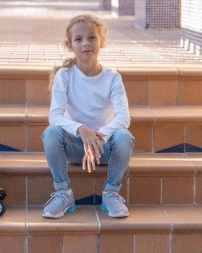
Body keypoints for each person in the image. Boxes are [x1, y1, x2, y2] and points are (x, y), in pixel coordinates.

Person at [41, 14, 134, 219]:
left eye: (92, 37)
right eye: (79, 39)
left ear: (102, 41)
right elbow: (55, 116)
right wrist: (82, 130)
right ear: (70, 44)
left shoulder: (112, 77)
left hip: (104, 147)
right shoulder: (64, 76)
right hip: (76, 148)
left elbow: (123, 117)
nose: (86, 43)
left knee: (124, 136)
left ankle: (111, 193)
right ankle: (63, 193)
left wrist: (99, 137)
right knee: (51, 133)